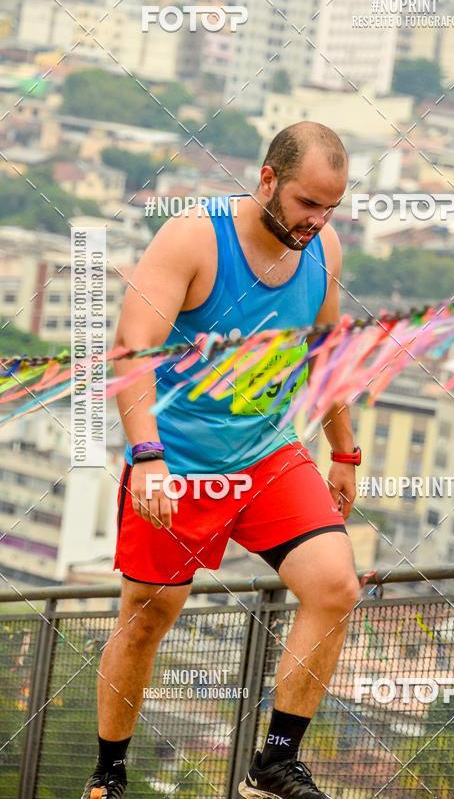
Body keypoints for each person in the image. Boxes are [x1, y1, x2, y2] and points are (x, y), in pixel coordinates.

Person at [81, 122, 362, 799]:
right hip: (177, 461)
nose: (316, 221)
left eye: (330, 207)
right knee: (149, 619)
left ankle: (275, 760)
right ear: (267, 179)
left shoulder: (323, 250)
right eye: (305, 204)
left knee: (336, 587)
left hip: (266, 454)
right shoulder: (195, 236)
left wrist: (344, 449)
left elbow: (327, 356)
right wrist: (146, 456)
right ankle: (108, 774)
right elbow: (132, 347)